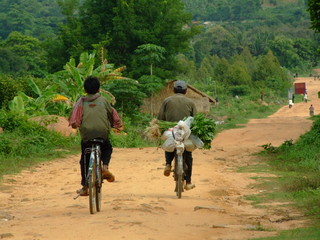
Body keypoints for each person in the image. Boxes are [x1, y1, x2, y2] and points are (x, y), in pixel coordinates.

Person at [69, 76, 116, 196]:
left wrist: (75, 125)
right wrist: (116, 125)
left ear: (85, 89)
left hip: (87, 135)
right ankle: (104, 166)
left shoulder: (80, 102)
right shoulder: (104, 101)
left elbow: (74, 120)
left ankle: (85, 187)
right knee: (107, 147)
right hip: (102, 133)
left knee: (84, 159)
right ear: (99, 89)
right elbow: (112, 115)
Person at [158, 80, 197, 190]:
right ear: (185, 91)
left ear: (174, 90)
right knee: (188, 154)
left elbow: (160, 118)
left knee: (169, 143)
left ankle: (168, 164)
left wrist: (160, 126)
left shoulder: (167, 101)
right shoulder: (190, 102)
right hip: (185, 132)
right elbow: (195, 119)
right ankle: (188, 182)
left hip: (171, 130)